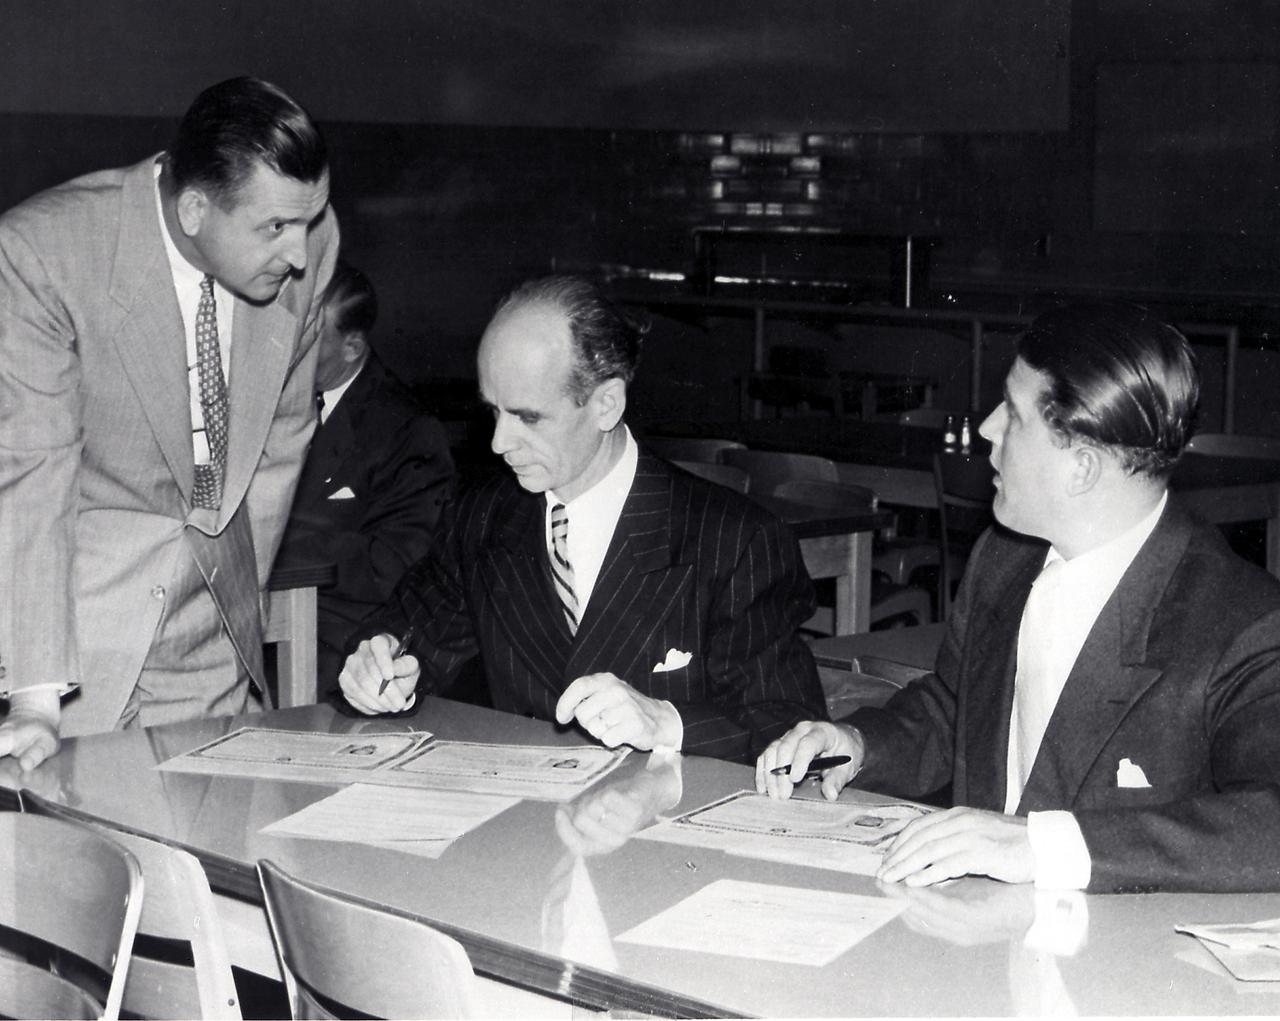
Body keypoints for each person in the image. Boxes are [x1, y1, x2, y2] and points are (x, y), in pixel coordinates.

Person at [757, 302, 1280, 893]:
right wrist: (859, 744)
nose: (986, 428)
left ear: (1082, 469)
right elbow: (957, 710)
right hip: (976, 923)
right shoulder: (1005, 558)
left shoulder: (1244, 623)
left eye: (1013, 413)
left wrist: (1038, 845)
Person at [338, 274, 826, 763]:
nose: (499, 442)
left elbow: (784, 723)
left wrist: (667, 723)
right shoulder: (483, 514)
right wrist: (379, 665)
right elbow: (407, 633)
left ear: (606, 404)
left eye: (528, 417)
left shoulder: (734, 540)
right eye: (493, 412)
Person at [0, 77, 339, 769]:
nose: (301, 255)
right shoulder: (43, 253)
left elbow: (281, 441)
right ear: (194, 210)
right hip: (81, 632)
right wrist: (35, 700)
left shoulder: (311, 235)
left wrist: (238, 600)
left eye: (309, 222)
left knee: (219, 830)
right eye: (275, 229)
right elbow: (32, 471)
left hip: (211, 632)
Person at [276, 261, 454, 686]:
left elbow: (395, 562)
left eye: (307, 340)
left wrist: (275, 544)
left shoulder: (408, 429)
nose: (287, 350)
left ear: (352, 347)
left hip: (340, 639)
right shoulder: (273, 399)